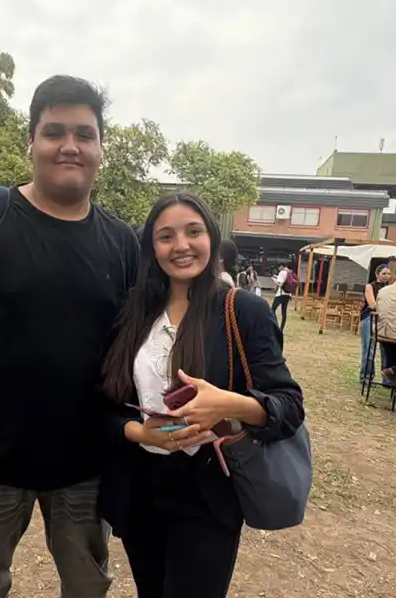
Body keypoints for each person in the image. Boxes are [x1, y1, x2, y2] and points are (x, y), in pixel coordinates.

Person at [0, 75, 138, 598]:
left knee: (88, 584)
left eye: (84, 134)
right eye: (54, 132)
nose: (70, 145)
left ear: (101, 148)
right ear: (31, 140)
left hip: (86, 461)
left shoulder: (122, 242)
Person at [98, 192, 304, 598]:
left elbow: (288, 406)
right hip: (139, 489)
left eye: (193, 232)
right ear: (151, 247)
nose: (181, 246)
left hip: (207, 494)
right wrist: (138, 432)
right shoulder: (133, 311)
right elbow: (103, 403)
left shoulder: (243, 310)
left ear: (211, 237)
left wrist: (229, 403)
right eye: (166, 236)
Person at [359, 264, 392, 382]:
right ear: (377, 274)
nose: (386, 276)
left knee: (386, 350)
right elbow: (372, 304)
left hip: (385, 319)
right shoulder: (370, 286)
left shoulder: (390, 288)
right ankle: (366, 376)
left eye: (388, 274)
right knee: (369, 348)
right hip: (370, 317)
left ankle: (386, 379)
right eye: (384, 273)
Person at [271, 263, 294, 330]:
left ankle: (276, 325)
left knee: (272, 310)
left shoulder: (282, 272)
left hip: (280, 294)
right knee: (284, 313)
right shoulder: (290, 272)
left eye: (278, 267)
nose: (278, 269)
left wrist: (274, 280)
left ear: (281, 266)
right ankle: (281, 328)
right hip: (288, 295)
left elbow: (280, 284)